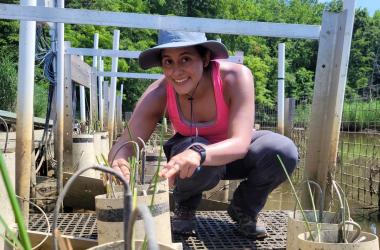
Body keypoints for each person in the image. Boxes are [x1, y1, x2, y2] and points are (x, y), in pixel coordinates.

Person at [108, 30, 298, 239]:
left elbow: (241, 143)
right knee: (195, 145)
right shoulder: (160, 91)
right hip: (189, 161)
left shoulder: (235, 76)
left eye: (186, 59)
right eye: (168, 62)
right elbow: (126, 142)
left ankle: (245, 208)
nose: (176, 71)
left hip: (233, 153)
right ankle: (185, 206)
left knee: (283, 151)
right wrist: (119, 160)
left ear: (206, 58)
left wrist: (200, 152)